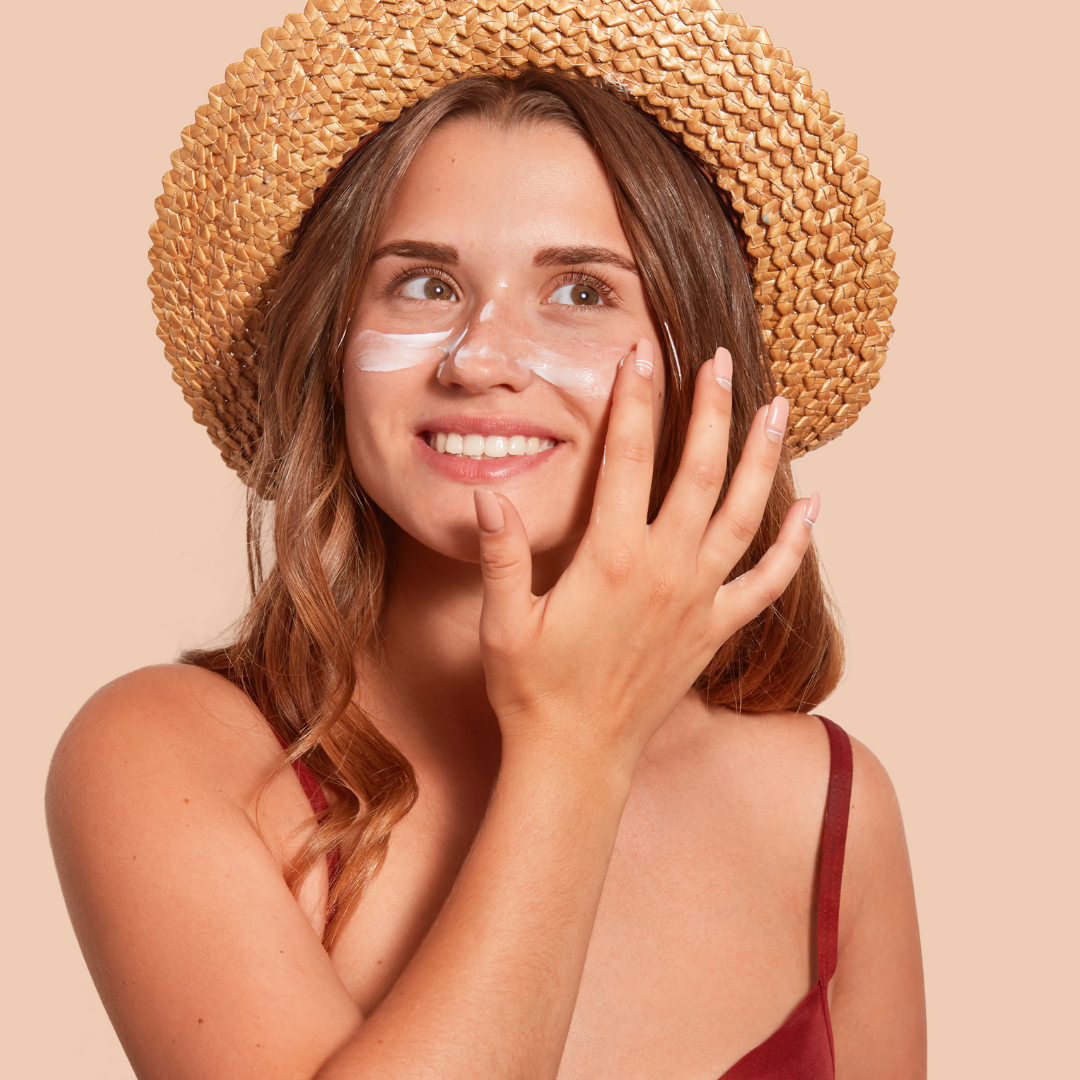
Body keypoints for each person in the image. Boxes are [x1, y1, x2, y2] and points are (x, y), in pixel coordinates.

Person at [46, 5, 924, 1078]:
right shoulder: (173, 756)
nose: (480, 358)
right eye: (425, 283)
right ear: (332, 350)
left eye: (581, 291)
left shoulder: (830, 807)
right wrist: (574, 746)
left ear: (706, 365)